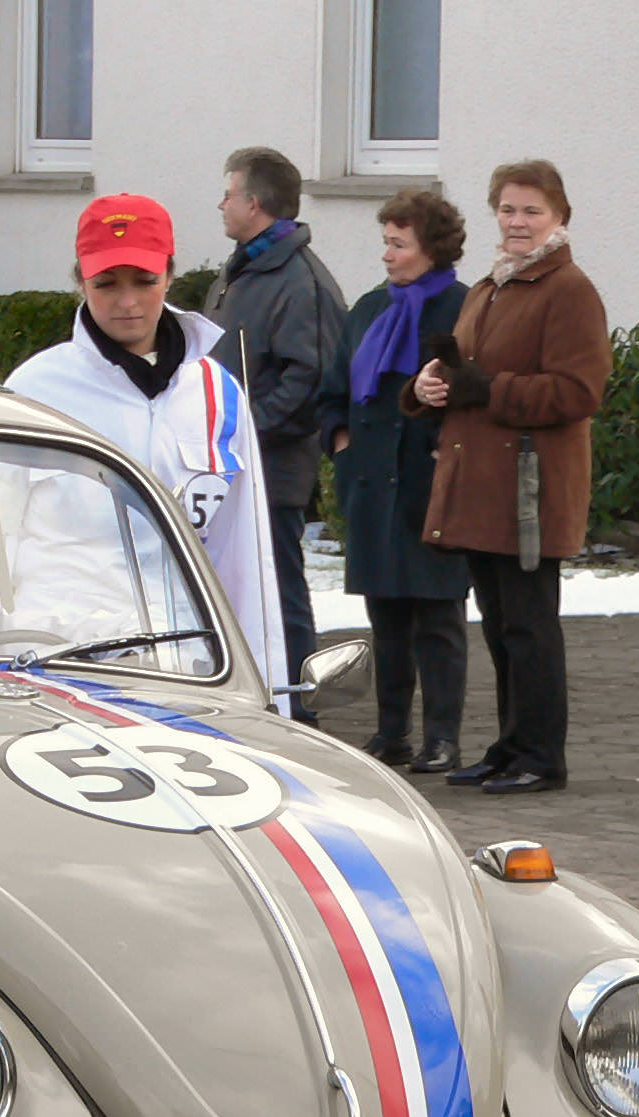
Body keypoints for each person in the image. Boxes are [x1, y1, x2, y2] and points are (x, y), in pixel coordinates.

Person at [5, 192, 288, 701]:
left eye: (144, 280)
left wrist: (266, 697)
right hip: (59, 666)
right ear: (80, 282)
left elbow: (245, 558)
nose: (127, 302)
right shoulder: (34, 391)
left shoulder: (218, 393)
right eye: (106, 283)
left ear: (169, 276)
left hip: (186, 669)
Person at [405, 159, 609, 795]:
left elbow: (578, 391)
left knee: (528, 626)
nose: (517, 222)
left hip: (530, 490)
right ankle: (510, 745)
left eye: (532, 211)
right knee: (499, 625)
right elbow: (466, 374)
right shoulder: (490, 287)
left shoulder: (568, 289)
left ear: (559, 217)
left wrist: (487, 388)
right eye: (508, 209)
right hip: (485, 484)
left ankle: (541, 756)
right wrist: (428, 387)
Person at [318, 187, 472, 772]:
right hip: (370, 483)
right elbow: (333, 389)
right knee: (385, 617)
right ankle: (391, 733)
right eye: (385, 242)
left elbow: (476, 391)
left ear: (432, 248)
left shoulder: (463, 308)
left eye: (398, 244)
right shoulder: (367, 309)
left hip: (430, 484)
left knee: (437, 616)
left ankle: (442, 738)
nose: (387, 254)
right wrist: (341, 445)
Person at [207, 146, 345, 723]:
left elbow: (308, 380)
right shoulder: (243, 268)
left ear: (255, 203)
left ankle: (299, 708)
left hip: (271, 468)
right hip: (229, 462)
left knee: (280, 589)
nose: (221, 204)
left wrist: (242, 430)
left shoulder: (298, 280)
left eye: (229, 194)